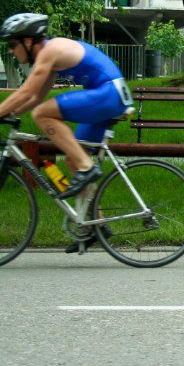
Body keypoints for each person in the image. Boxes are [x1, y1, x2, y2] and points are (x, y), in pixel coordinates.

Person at [0, 13, 133, 249]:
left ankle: (87, 166)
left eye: (12, 44)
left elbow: (25, 92)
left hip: (108, 93)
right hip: (110, 94)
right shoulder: (49, 58)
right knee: (73, 159)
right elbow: (34, 96)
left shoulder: (50, 51)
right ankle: (97, 225)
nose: (11, 51)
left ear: (28, 42)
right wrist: (12, 114)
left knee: (42, 114)